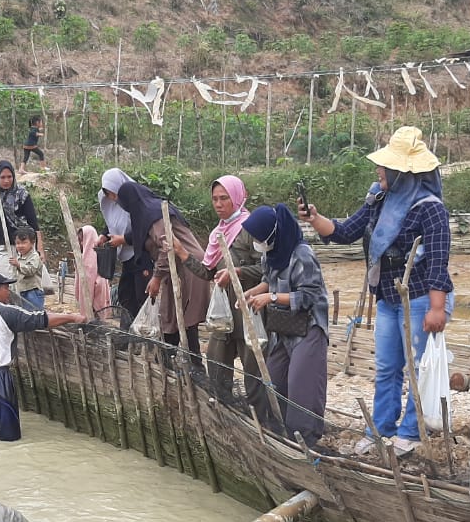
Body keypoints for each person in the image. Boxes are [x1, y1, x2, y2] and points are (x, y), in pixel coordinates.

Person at [301, 127, 452, 458]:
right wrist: (315, 219)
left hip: (419, 298)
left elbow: (439, 262)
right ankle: (381, 427)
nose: (378, 170)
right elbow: (346, 231)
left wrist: (437, 309)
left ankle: (411, 432)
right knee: (386, 367)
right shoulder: (379, 200)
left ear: (401, 172)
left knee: (414, 369)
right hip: (387, 299)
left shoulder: (430, 209)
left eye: (384, 167)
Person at [0, 271, 85, 441]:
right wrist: (72, 317)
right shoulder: (6, 312)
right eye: (6, 288)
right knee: (8, 437)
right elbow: (40, 319)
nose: (8, 292)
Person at [241, 204, 330, 445]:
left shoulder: (302, 255)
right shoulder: (270, 253)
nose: (258, 242)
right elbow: (269, 281)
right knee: (274, 378)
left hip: (308, 327)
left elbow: (309, 296)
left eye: (260, 238)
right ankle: (280, 434)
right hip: (283, 328)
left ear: (273, 234)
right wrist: (250, 294)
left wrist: (269, 298)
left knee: (302, 386)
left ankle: (305, 441)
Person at [175, 175, 264, 402]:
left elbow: (266, 269)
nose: (218, 204)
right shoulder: (218, 233)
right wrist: (183, 254)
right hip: (224, 314)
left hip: (247, 311)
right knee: (216, 367)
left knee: (253, 372)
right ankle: (224, 414)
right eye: (214, 199)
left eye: (224, 198)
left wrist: (237, 273)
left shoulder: (250, 227)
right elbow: (207, 272)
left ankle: (260, 420)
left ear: (237, 197)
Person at [116, 180, 210, 358]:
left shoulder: (154, 214)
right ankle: (173, 363)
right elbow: (147, 241)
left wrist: (157, 277)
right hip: (176, 268)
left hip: (189, 267)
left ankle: (192, 368)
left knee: (185, 320)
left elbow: (168, 247)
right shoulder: (149, 212)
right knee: (171, 317)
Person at [98, 167, 152, 330]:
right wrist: (104, 235)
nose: (113, 198)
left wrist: (123, 239)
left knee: (142, 296)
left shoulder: (137, 200)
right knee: (125, 295)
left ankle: (145, 336)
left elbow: (144, 229)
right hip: (127, 258)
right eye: (109, 194)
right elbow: (113, 223)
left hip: (143, 256)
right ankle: (126, 334)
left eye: (114, 193)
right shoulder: (111, 202)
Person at [78, 223, 112, 317]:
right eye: (80, 240)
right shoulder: (81, 259)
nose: (81, 243)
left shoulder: (97, 258)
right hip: (89, 302)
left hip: (96, 302)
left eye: (83, 240)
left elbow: (100, 282)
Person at [9, 227, 45, 311]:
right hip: (22, 290)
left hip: (33, 291)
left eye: (24, 243)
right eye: (18, 243)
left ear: (32, 243)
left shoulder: (34, 256)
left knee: (35, 313)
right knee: (25, 312)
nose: (20, 246)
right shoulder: (19, 256)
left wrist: (18, 265)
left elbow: (31, 270)